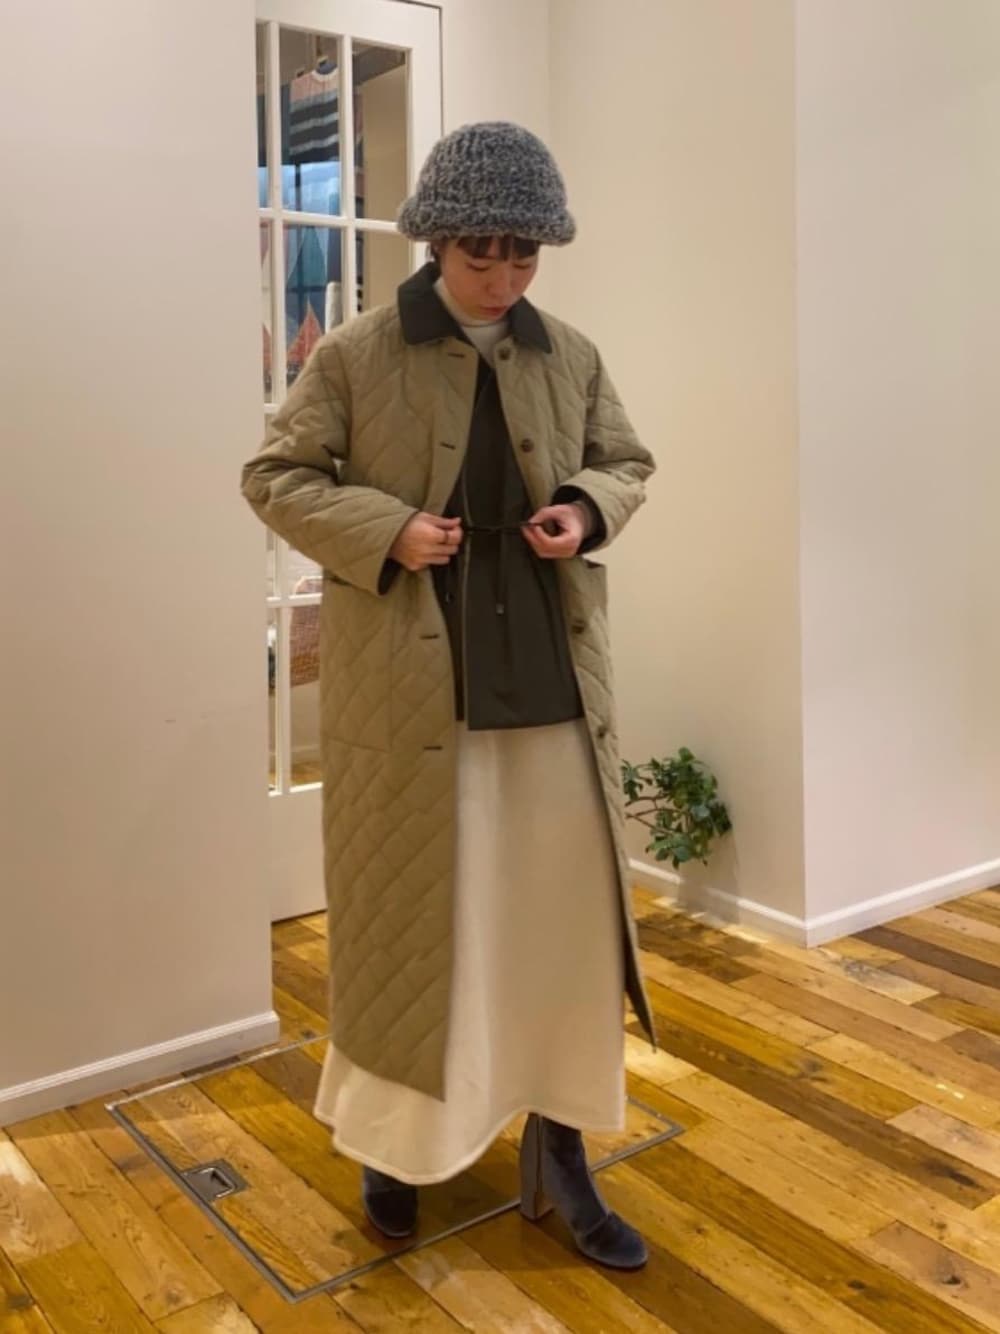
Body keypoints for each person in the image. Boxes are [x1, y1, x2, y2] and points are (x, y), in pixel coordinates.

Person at [241, 121, 656, 1270]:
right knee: (418, 931)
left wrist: (584, 505)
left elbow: (627, 459)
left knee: (557, 931)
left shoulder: (569, 353)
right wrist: (387, 528)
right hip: (413, 703)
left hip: (555, 695)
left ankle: (560, 1147)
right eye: (484, 254)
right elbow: (273, 476)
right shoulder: (357, 354)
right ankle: (395, 1146)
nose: (504, 278)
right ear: (435, 241)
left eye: (525, 256)